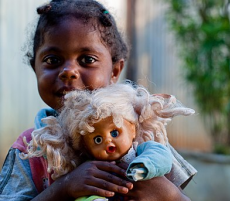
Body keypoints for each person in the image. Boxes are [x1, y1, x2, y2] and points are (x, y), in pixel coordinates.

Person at [0, 0, 197, 200]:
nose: (69, 71)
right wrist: (62, 188)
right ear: (36, 69)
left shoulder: (142, 132)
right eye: (52, 60)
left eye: (87, 59)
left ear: (115, 71)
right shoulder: (30, 149)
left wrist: (170, 195)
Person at [21, 82, 195, 201]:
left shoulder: (148, 143)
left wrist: (170, 195)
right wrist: (65, 187)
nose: (108, 141)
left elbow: (159, 157)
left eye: (114, 132)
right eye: (97, 139)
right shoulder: (84, 170)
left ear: (132, 128)